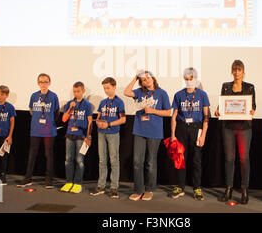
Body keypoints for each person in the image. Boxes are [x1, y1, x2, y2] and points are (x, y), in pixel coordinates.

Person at [124, 70, 171, 201]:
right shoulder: (139, 92)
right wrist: (135, 78)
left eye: (148, 77)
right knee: (137, 162)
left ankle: (149, 189)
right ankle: (138, 190)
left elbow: (168, 112)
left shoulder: (162, 93)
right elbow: (126, 92)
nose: (146, 80)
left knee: (150, 162)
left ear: (153, 78)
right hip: (139, 130)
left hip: (154, 132)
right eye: (143, 79)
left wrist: (152, 111)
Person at [215, 60, 256, 204]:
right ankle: (229, 188)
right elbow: (222, 105)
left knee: (244, 159)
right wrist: (218, 111)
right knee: (229, 159)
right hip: (228, 128)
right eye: (234, 70)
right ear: (231, 71)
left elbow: (253, 105)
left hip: (244, 128)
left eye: (239, 70)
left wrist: (251, 110)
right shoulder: (226, 87)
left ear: (243, 72)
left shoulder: (250, 87)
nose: (237, 72)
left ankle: (244, 189)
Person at [169, 68, 210, 201]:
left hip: (196, 128)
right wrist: (173, 134)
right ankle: (180, 187)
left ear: (195, 79)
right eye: (186, 79)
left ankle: (197, 187)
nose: (188, 81)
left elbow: (206, 116)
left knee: (196, 159)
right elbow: (174, 116)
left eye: (191, 79)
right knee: (180, 158)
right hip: (181, 127)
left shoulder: (202, 95)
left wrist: (203, 134)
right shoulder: (178, 95)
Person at [17, 73, 60, 189]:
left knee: (48, 154)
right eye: (41, 82)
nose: (43, 84)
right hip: (35, 129)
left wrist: (48, 120)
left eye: (46, 82)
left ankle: (48, 179)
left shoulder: (53, 96)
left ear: (49, 83)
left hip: (49, 130)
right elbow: (31, 110)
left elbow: (56, 113)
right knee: (32, 154)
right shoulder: (34, 96)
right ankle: (28, 178)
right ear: (38, 83)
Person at [90, 77, 126, 199]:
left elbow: (123, 119)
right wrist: (98, 122)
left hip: (113, 133)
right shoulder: (102, 102)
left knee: (114, 160)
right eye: (104, 88)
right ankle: (101, 186)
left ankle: (114, 187)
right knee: (102, 160)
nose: (106, 90)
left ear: (114, 87)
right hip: (101, 133)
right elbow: (99, 116)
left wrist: (109, 124)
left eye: (108, 88)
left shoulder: (119, 102)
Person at [61, 82, 93, 194]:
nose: (76, 93)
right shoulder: (70, 103)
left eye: (78, 91)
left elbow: (90, 122)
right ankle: (69, 182)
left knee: (79, 160)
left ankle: (78, 183)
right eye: (74, 91)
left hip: (81, 135)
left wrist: (88, 136)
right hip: (69, 135)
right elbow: (64, 119)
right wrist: (69, 109)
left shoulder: (87, 105)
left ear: (83, 91)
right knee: (68, 160)